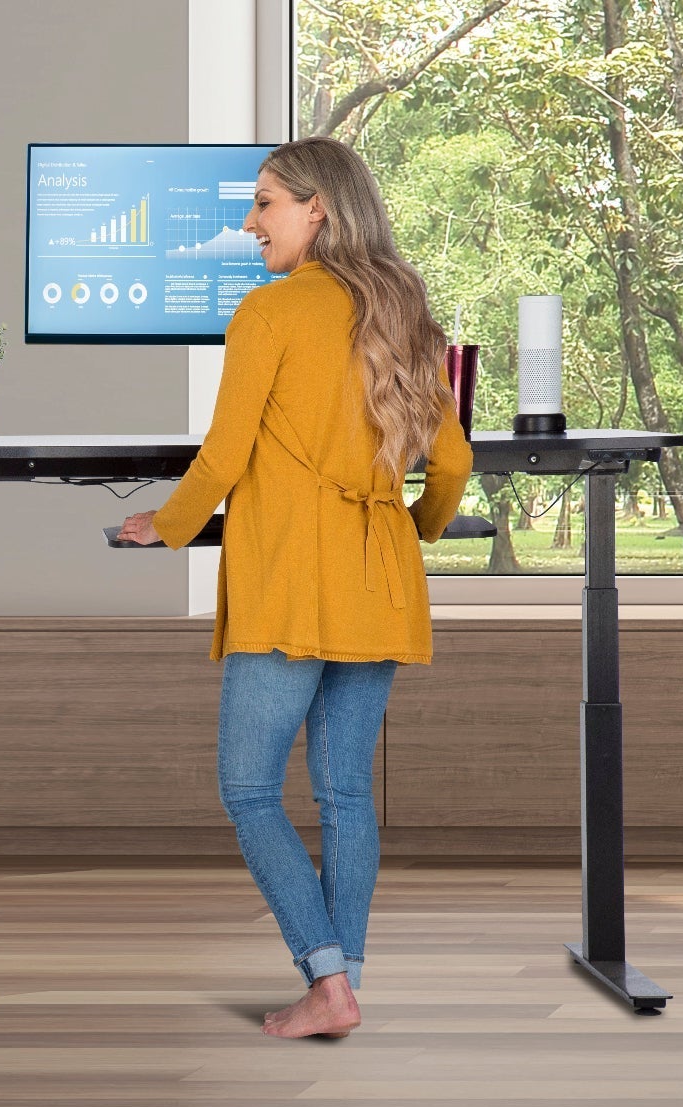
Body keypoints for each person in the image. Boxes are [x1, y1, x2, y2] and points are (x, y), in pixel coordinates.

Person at [117, 137, 473, 1039]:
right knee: (346, 793)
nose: (250, 221)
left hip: (291, 583)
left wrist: (166, 523)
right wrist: (420, 528)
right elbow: (456, 459)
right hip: (380, 580)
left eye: (266, 201)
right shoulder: (403, 313)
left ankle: (327, 981)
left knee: (248, 790)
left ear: (318, 208)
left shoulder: (271, 312)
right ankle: (338, 982)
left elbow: (223, 457)